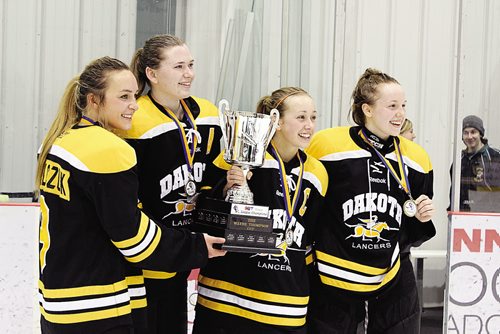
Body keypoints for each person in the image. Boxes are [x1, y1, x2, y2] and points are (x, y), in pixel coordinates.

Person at [35, 56, 226, 334]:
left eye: (134, 96)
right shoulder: (107, 148)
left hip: (58, 303)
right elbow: (133, 239)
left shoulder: (58, 140)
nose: (134, 106)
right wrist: (196, 247)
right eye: (124, 97)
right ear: (94, 100)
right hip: (97, 305)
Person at [306, 68, 436, 334]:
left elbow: (413, 230)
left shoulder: (416, 158)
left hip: (392, 272)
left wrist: (422, 217)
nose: (400, 114)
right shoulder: (327, 145)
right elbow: (308, 207)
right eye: (391, 106)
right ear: (367, 109)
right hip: (334, 274)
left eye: (403, 106)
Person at [192, 87, 328, 334]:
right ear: (276, 121)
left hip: (285, 305)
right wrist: (226, 189)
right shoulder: (236, 157)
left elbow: (311, 237)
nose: (309, 125)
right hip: (227, 300)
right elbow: (202, 216)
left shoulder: (317, 172)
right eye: (301, 117)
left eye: (313, 117)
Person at [122, 35, 223, 334]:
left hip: (184, 253)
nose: (189, 73)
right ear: (151, 74)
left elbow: (212, 180)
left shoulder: (207, 113)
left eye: (191, 65)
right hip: (143, 261)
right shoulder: (133, 120)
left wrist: (232, 180)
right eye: (179, 66)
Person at [449, 115, 500, 211]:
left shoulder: (495, 157)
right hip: (462, 216)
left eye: (473, 132)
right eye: (465, 133)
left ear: (480, 134)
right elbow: (454, 191)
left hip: (489, 218)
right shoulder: (459, 160)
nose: (469, 137)